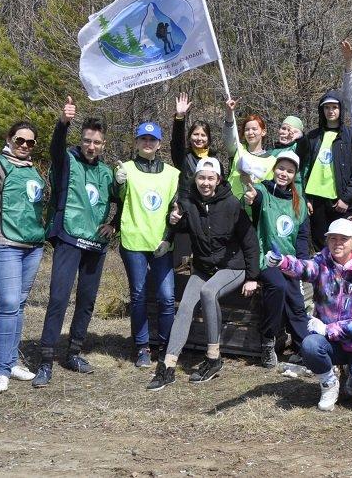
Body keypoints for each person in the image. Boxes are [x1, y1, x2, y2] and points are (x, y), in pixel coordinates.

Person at [147, 158, 259, 390]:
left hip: (233, 267)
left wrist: (252, 276)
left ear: (218, 180)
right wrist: (174, 220)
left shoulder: (231, 205)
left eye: (210, 178)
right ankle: (168, 366)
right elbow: (181, 225)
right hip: (204, 268)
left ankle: (213, 357)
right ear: (195, 179)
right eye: (201, 177)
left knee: (209, 292)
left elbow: (250, 242)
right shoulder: (189, 202)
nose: (205, 183)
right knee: (186, 307)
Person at [33, 97, 117, 387]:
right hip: (69, 238)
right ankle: (45, 360)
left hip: (96, 245)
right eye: (87, 140)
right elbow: (56, 147)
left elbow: (121, 199)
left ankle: (74, 352)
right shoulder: (67, 159)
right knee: (58, 298)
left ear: (104, 144)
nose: (91, 146)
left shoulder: (107, 172)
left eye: (97, 142)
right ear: (81, 140)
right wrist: (63, 123)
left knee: (87, 301)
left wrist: (113, 224)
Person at [275, 218, 352, 412]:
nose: (337, 243)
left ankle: (351, 372)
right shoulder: (321, 264)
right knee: (310, 345)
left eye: (343, 239)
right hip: (331, 344)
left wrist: (327, 329)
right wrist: (283, 261)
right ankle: (329, 382)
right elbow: (303, 267)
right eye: (333, 238)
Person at [0, 122, 45, 393]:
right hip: (2, 242)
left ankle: (12, 360)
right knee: (7, 303)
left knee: (18, 303)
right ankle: (1, 370)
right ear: (9, 139)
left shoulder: (32, 168)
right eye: (20, 140)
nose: (25, 146)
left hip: (32, 245)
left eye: (30, 142)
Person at [115, 121, 180, 369]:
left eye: (152, 140)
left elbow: (177, 210)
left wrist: (169, 237)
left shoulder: (173, 173)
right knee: (139, 295)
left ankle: (166, 346)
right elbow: (117, 197)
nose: (148, 143)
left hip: (161, 243)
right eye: (143, 139)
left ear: (159, 144)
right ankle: (142, 346)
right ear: (136, 142)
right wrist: (118, 183)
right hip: (134, 242)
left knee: (166, 297)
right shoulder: (126, 168)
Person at [244, 151, 312, 368]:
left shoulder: (299, 202)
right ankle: (268, 340)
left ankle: (305, 347)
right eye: (281, 168)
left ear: (295, 175)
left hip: (289, 261)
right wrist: (251, 198)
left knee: (297, 301)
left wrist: (301, 265)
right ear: (274, 169)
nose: (284, 174)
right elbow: (252, 201)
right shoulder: (263, 191)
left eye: (290, 171)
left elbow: (302, 238)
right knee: (279, 285)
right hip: (266, 258)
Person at [297, 91, 352, 251]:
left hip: (342, 200)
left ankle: (346, 275)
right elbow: (302, 169)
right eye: (327, 107)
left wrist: (347, 198)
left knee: (345, 244)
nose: (331, 111)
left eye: (334, 107)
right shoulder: (312, 137)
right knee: (321, 244)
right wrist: (306, 198)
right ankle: (325, 275)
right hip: (317, 200)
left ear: (341, 109)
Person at [171, 92, 219, 273]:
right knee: (182, 267)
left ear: (209, 138)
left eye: (203, 135)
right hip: (185, 213)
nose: (199, 138)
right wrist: (180, 117)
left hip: (208, 217)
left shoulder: (215, 161)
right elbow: (176, 141)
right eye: (195, 134)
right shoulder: (183, 157)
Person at [222, 99, 275, 200]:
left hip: (252, 208)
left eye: (254, 129)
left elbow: (269, 189)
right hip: (231, 203)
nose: (250, 133)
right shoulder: (238, 149)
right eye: (247, 130)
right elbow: (228, 136)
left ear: (263, 132)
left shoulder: (272, 160)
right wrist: (229, 114)